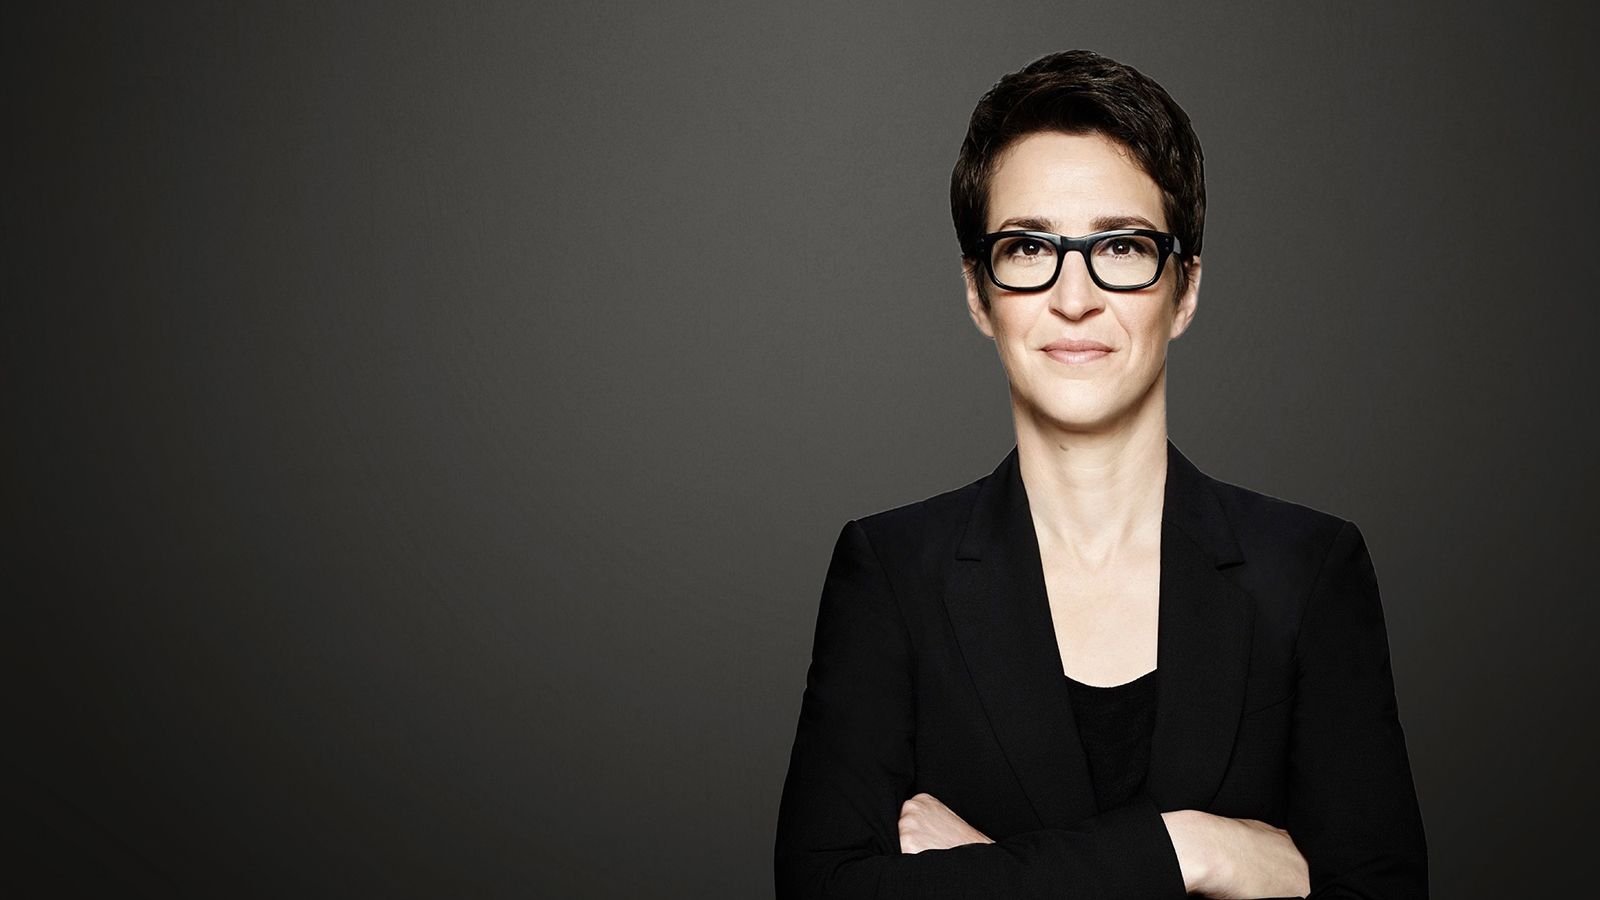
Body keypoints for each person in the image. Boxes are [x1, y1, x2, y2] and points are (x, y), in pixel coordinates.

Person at [773, 50, 1427, 899]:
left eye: (1120, 246)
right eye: (1027, 247)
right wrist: (1191, 850)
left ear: (1184, 289)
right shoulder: (892, 575)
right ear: (978, 291)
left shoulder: (1307, 572)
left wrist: (984, 870)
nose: (1073, 297)